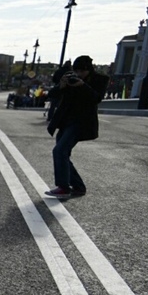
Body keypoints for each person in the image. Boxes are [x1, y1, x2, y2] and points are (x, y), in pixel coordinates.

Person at [45, 55, 107, 200]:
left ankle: (63, 187)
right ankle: (78, 187)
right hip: (65, 121)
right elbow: (52, 94)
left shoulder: (99, 79)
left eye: (82, 71)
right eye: (76, 70)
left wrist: (83, 85)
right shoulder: (69, 78)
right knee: (63, 154)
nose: (79, 74)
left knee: (59, 151)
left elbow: (97, 98)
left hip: (81, 122)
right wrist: (61, 85)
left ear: (89, 70)